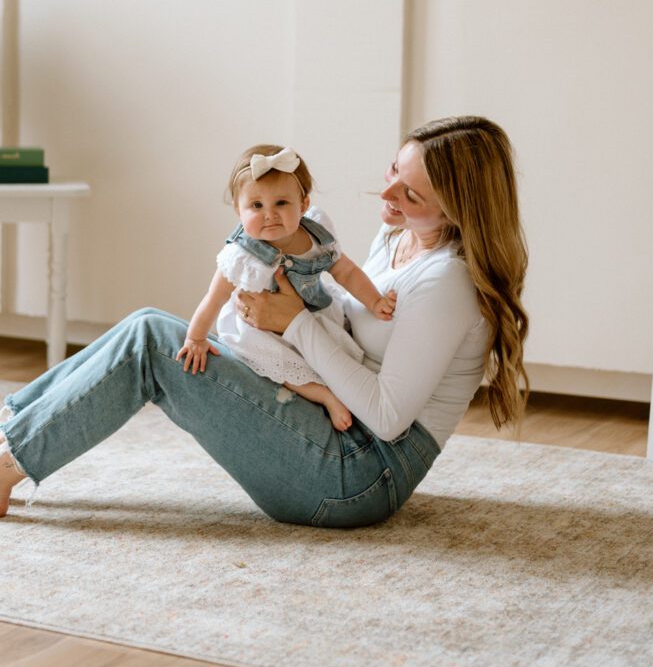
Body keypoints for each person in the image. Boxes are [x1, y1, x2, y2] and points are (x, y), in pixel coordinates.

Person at [0, 116, 530, 527]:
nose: (387, 194)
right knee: (149, 322)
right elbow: (344, 317)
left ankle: (8, 462)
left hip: (362, 472)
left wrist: (293, 321)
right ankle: (10, 429)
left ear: (458, 209)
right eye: (395, 171)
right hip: (332, 416)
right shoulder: (398, 236)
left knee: (152, 344)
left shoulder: (446, 284)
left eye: (410, 194)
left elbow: (388, 419)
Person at [176, 143, 396, 432]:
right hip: (262, 330)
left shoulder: (316, 236)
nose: (270, 214)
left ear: (303, 205)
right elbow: (214, 298)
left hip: (310, 314)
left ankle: (344, 393)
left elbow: (347, 272)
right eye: (256, 206)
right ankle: (323, 396)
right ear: (238, 210)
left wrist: (375, 301)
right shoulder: (241, 255)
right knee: (277, 361)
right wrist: (195, 338)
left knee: (335, 354)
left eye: (281, 203)